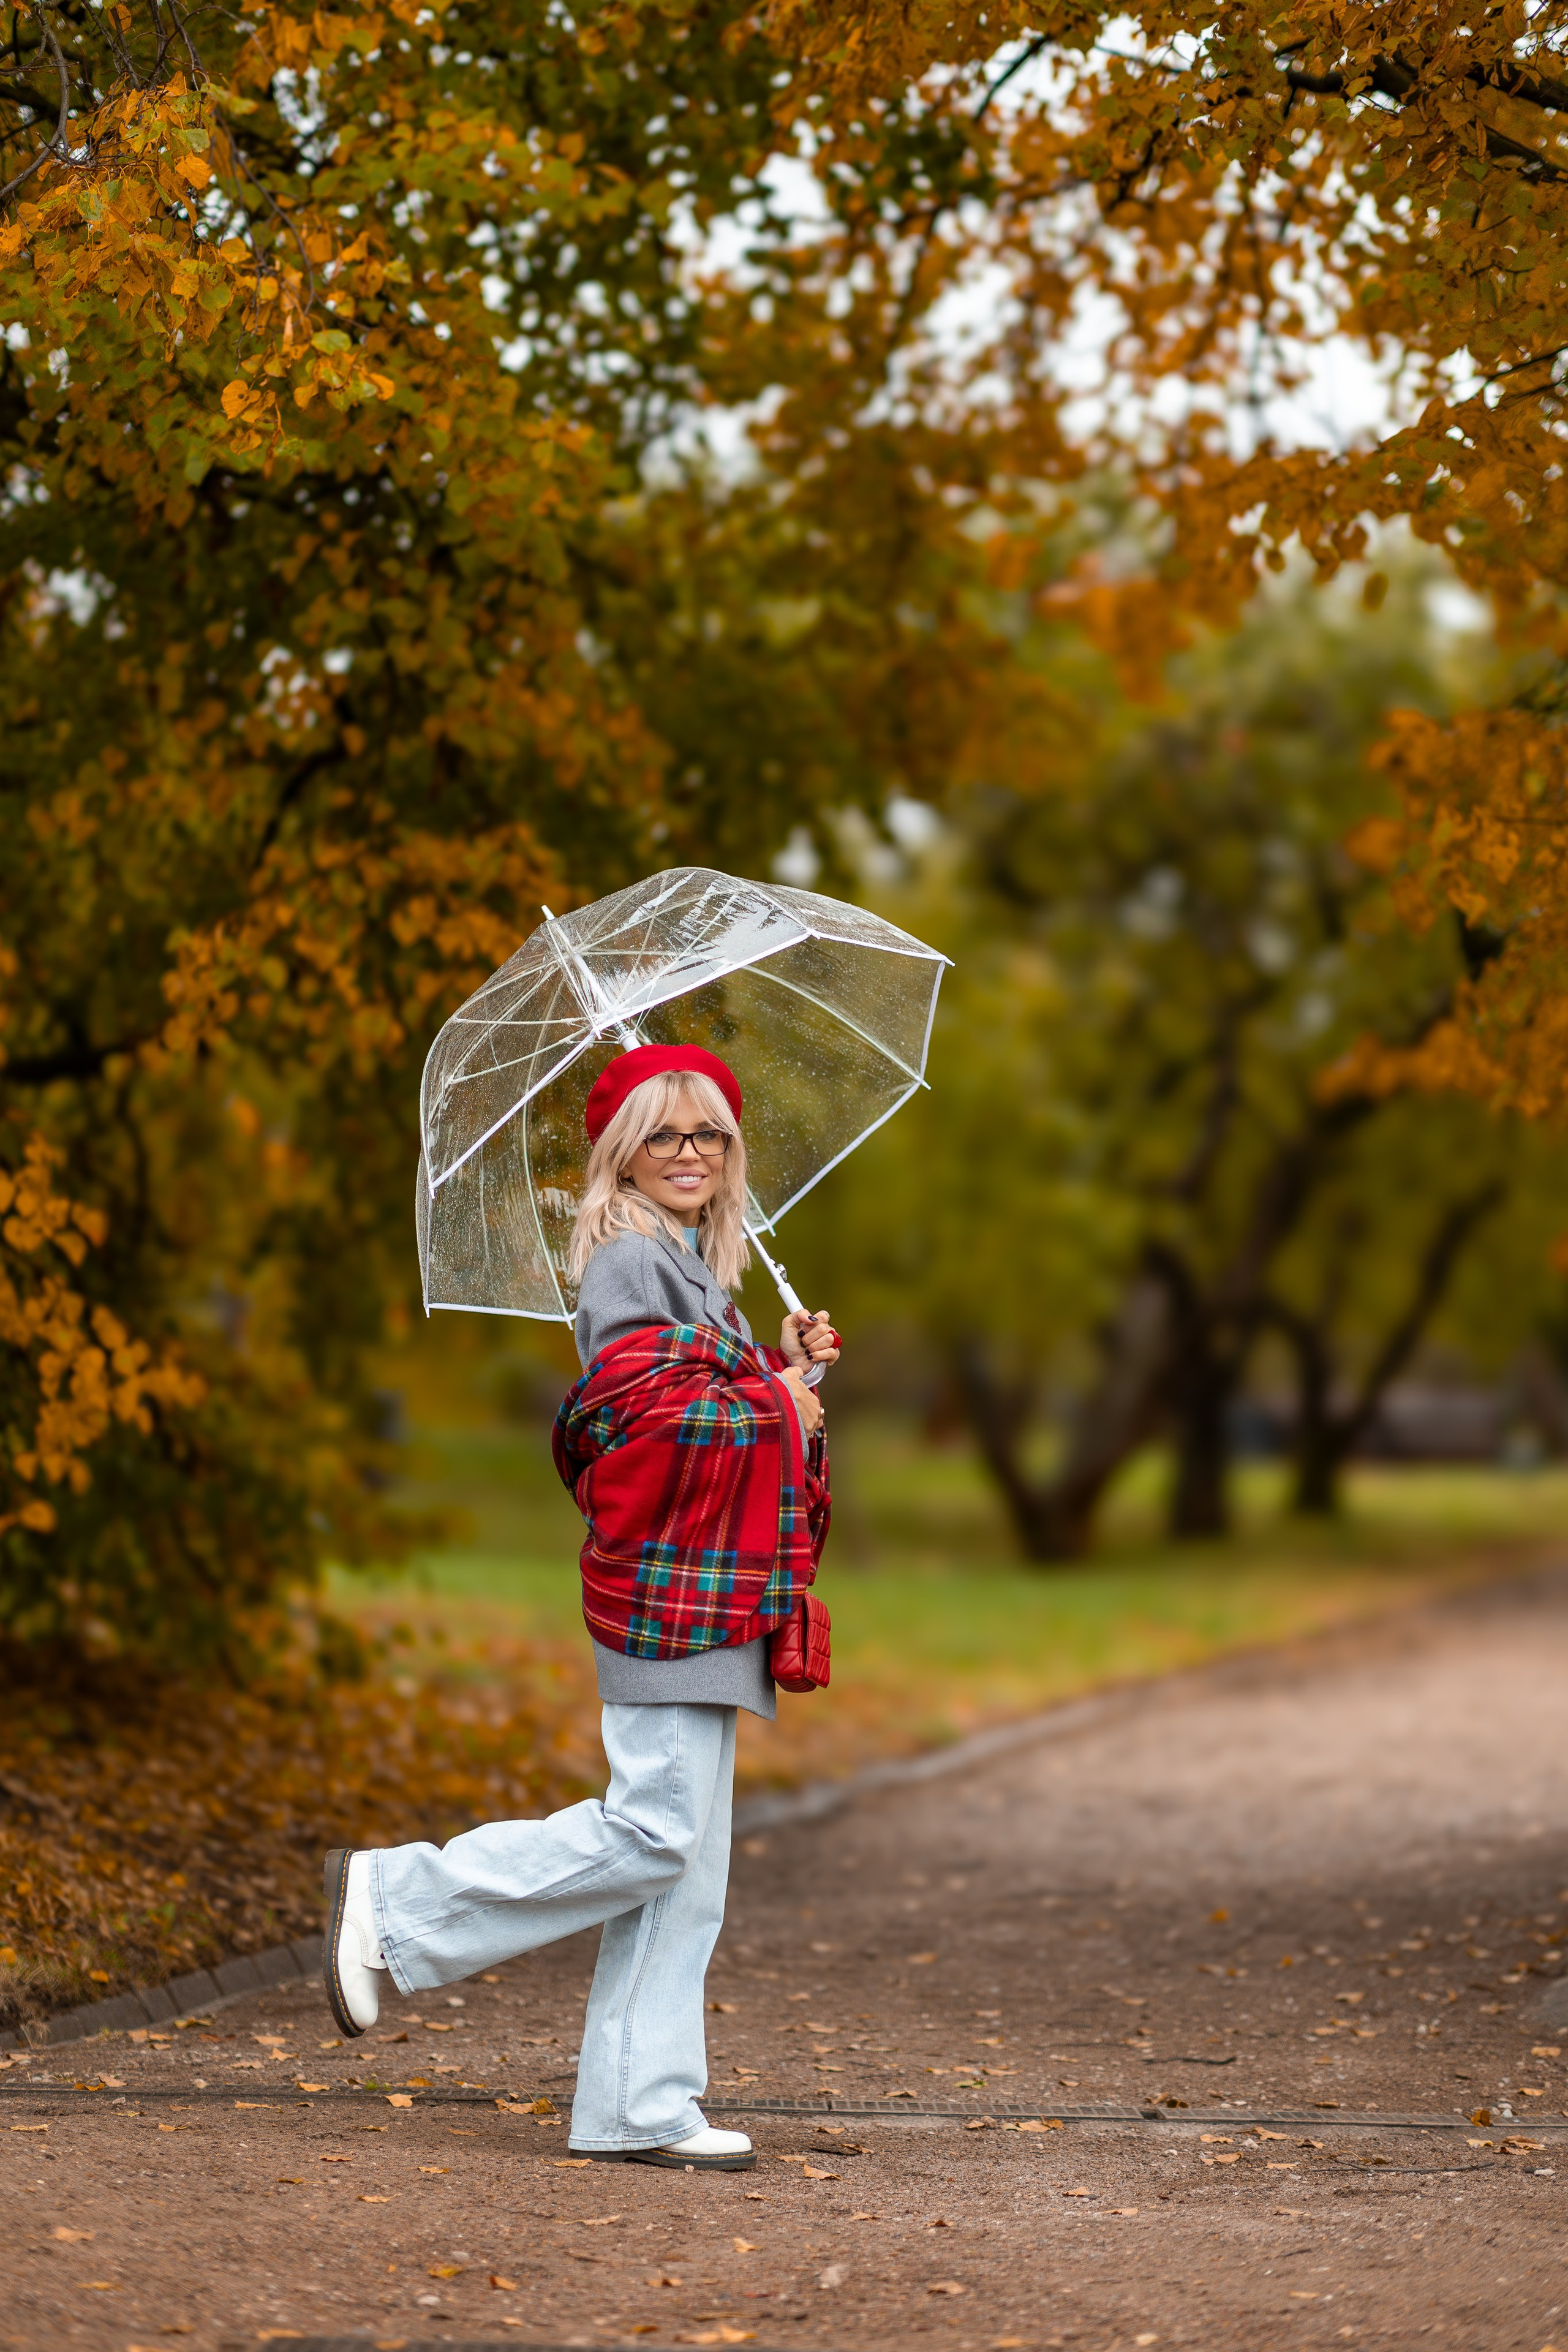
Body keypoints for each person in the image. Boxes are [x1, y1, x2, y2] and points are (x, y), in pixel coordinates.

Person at [322, 1042, 836, 2173]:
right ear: (623, 1154)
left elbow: (722, 1405)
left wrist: (787, 1376)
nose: (690, 1152)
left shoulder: (695, 1270)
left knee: (686, 1868)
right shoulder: (624, 1265)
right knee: (652, 1832)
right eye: (664, 1134)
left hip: (712, 1594)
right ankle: (395, 1903)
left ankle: (638, 2104)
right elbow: (644, 1429)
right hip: (667, 1592)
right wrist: (777, 1402)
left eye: (709, 1133)